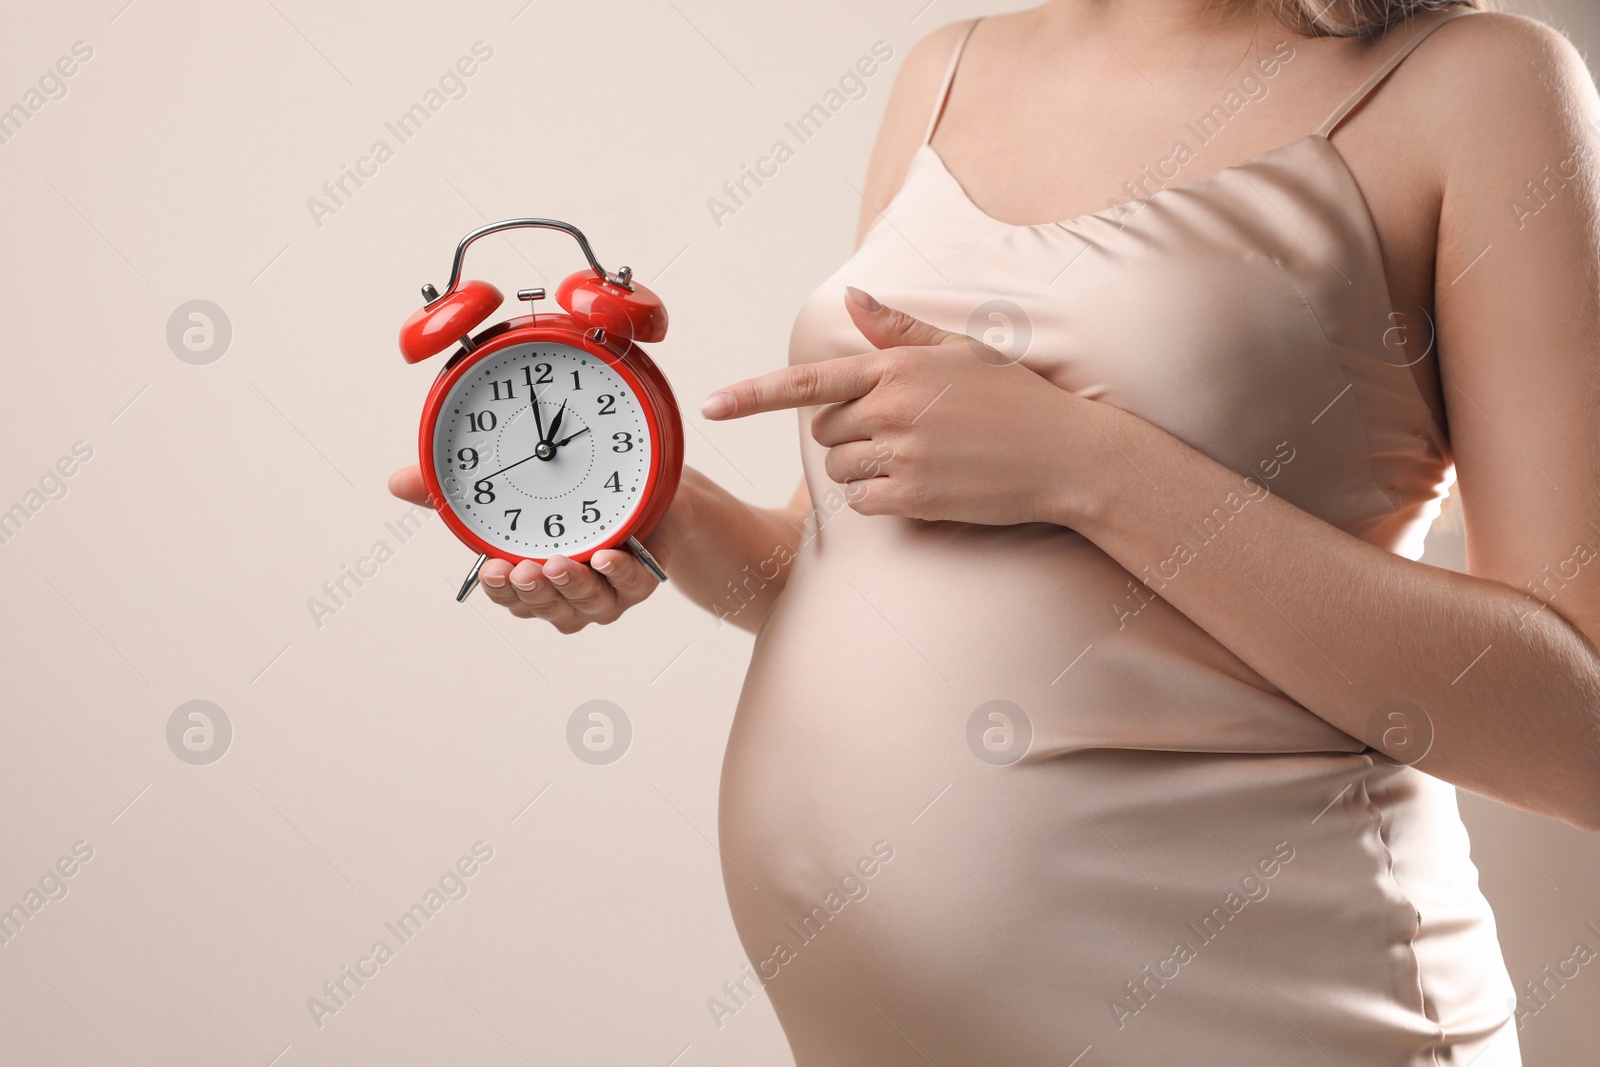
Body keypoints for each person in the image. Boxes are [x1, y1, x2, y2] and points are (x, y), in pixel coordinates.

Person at [391, 1, 1600, 1061]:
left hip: (1273, 1007)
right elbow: (834, 565)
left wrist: (1092, 467)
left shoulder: (1477, 83)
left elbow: (1577, 729)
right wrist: (640, 509)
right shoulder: (948, 65)